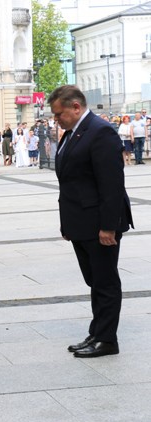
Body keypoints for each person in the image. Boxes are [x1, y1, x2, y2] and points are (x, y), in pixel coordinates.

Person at [49, 85, 133, 358]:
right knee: (94, 280)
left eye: (59, 114)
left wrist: (109, 226)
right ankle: (97, 332)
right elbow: (71, 183)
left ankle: (107, 340)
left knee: (105, 282)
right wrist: (67, 224)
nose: (56, 120)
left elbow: (111, 185)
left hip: (100, 223)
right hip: (81, 222)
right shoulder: (73, 133)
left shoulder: (101, 132)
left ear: (76, 107)